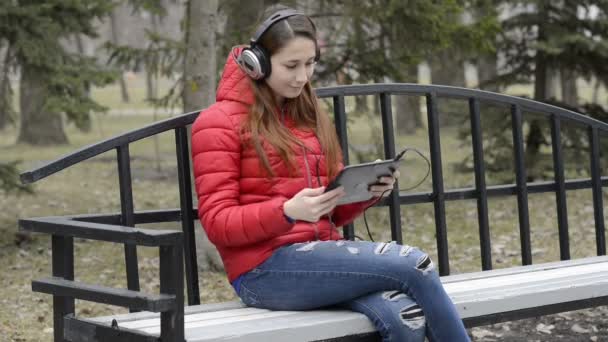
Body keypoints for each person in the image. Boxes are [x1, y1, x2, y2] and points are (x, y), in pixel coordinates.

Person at [191, 4, 470, 341]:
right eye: (291, 66)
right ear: (257, 64)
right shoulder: (218, 123)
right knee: (414, 263)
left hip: (323, 258)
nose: (302, 77)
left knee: (402, 316)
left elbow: (333, 210)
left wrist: (367, 192)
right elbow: (218, 223)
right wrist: (286, 212)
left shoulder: (309, 115)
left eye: (310, 64)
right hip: (262, 272)